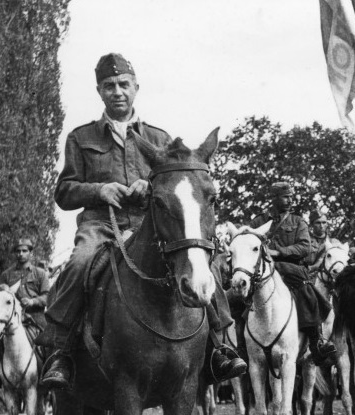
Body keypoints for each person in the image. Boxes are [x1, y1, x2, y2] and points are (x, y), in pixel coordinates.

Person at [37, 53, 245, 389]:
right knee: (79, 263)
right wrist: (99, 189)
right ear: (99, 91)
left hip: (150, 227)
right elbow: (64, 192)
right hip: (102, 226)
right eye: (109, 86)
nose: (117, 91)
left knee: (201, 263)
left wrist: (150, 186)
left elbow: (177, 185)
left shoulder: (160, 138)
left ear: (136, 87)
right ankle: (61, 351)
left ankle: (221, 346)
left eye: (123, 84)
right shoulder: (81, 137)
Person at [251, 182, 337, 366]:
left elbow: (305, 247)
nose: (290, 200)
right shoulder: (258, 222)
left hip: (292, 270)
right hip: (264, 270)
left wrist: (280, 252)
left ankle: (317, 342)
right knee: (239, 300)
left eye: (291, 196)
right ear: (274, 198)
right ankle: (238, 347)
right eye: (285, 196)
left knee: (308, 294)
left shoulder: (298, 221)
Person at [0, 237, 51, 390]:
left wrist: (32, 302)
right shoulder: (7, 274)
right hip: (11, 319)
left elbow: (47, 296)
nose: (20, 254)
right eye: (18, 251)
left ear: (30, 253)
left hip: (35, 317)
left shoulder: (40, 274)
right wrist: (2, 288)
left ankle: (51, 374)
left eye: (24, 251)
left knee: (50, 341)